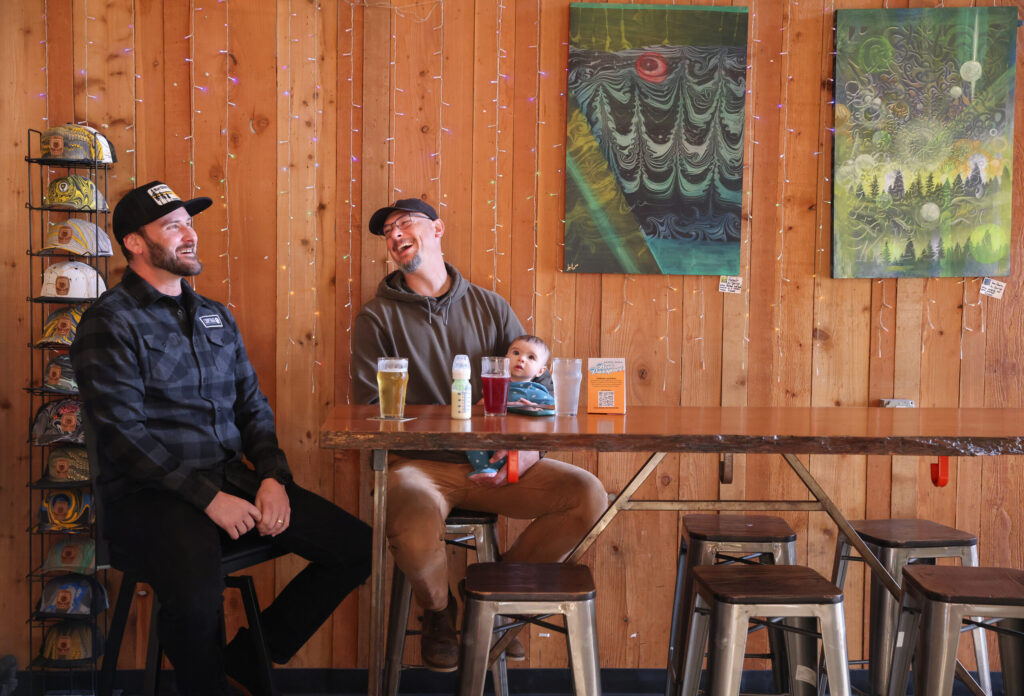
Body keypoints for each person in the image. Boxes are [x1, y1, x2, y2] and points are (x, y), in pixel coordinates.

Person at [71, 181, 372, 696]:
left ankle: (248, 661)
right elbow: (124, 436)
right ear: (135, 244)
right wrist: (209, 500)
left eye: (189, 224)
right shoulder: (109, 322)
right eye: (173, 226)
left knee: (355, 547)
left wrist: (273, 478)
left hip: (231, 482)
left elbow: (252, 407)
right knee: (194, 596)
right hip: (150, 498)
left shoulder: (215, 315)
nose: (189, 235)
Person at [351, 198, 608, 671]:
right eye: (387, 231)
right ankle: (439, 613)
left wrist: (526, 454)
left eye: (404, 223)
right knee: (407, 525)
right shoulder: (376, 318)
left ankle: (491, 602)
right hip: (419, 465)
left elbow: (539, 389)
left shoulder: (490, 307)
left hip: (494, 461)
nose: (394, 235)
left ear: (437, 229)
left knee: (588, 495)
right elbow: (369, 413)